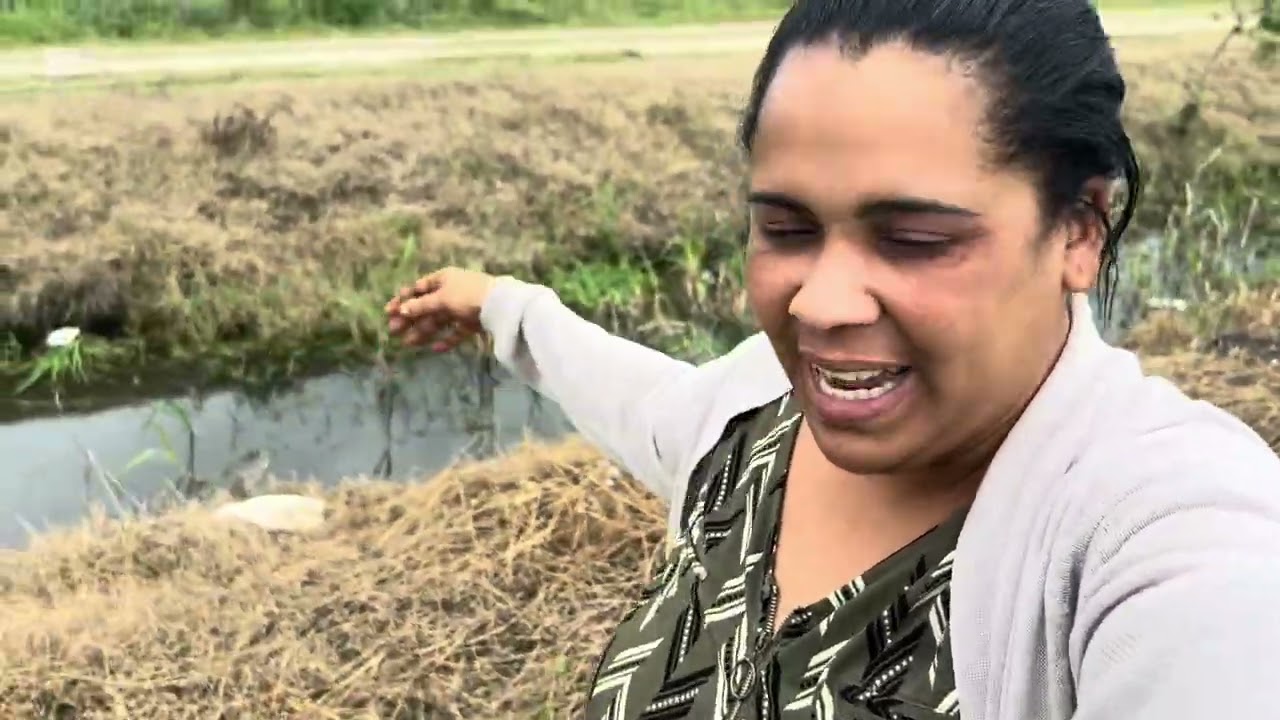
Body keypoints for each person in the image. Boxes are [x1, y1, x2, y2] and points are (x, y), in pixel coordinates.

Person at [385, 0, 1280, 717]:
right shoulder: (752, 419)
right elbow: (647, 403)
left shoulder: (1159, 529)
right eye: (786, 229)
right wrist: (504, 308)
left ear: (1078, 232)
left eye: (916, 239)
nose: (820, 303)